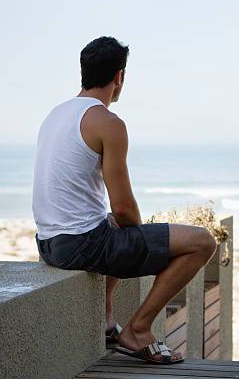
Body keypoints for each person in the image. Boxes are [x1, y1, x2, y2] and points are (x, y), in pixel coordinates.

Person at [32, 36, 216, 364]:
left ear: (84, 72)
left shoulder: (55, 115)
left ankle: (105, 321)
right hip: (80, 245)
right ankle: (139, 329)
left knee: (111, 222)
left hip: (47, 243)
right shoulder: (108, 123)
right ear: (119, 77)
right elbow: (125, 208)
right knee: (202, 242)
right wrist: (141, 235)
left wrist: (125, 227)